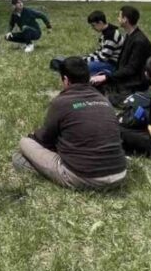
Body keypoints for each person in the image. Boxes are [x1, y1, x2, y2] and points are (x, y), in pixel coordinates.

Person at [12, 56, 127, 191]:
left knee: (23, 146)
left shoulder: (62, 102)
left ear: (65, 80)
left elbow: (45, 139)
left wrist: (32, 137)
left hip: (86, 177)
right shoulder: (104, 100)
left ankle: (50, 172)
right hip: (119, 174)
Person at [90, 6, 151, 102]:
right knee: (94, 84)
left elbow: (131, 69)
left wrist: (107, 77)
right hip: (124, 78)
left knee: (107, 98)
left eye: (119, 16)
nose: (118, 19)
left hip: (135, 83)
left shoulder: (139, 41)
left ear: (125, 20)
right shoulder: (130, 35)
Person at [83, 10, 123, 76]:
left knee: (84, 66)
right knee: (82, 64)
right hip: (107, 62)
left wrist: (86, 60)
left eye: (93, 25)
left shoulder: (111, 35)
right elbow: (100, 51)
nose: (93, 28)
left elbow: (103, 57)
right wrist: (86, 57)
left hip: (112, 65)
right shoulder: (106, 32)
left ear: (100, 23)